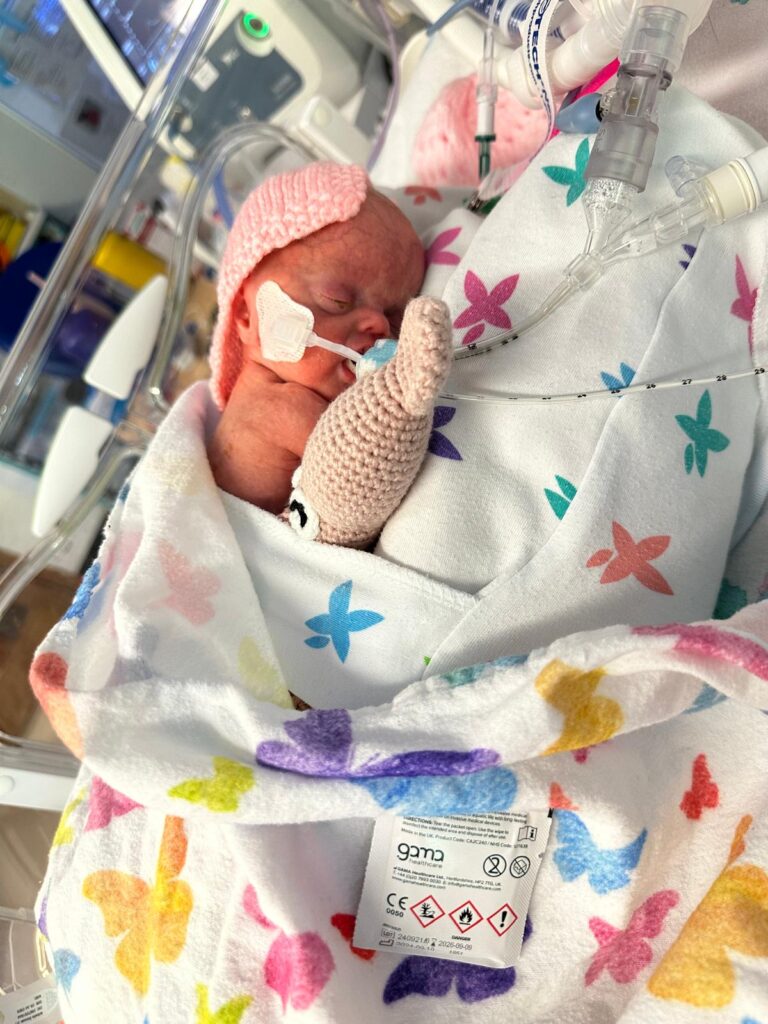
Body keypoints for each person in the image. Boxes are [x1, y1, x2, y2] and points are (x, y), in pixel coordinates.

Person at [207, 163, 426, 515]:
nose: (379, 325)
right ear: (248, 314)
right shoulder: (277, 405)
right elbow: (369, 466)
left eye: (393, 315)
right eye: (337, 300)